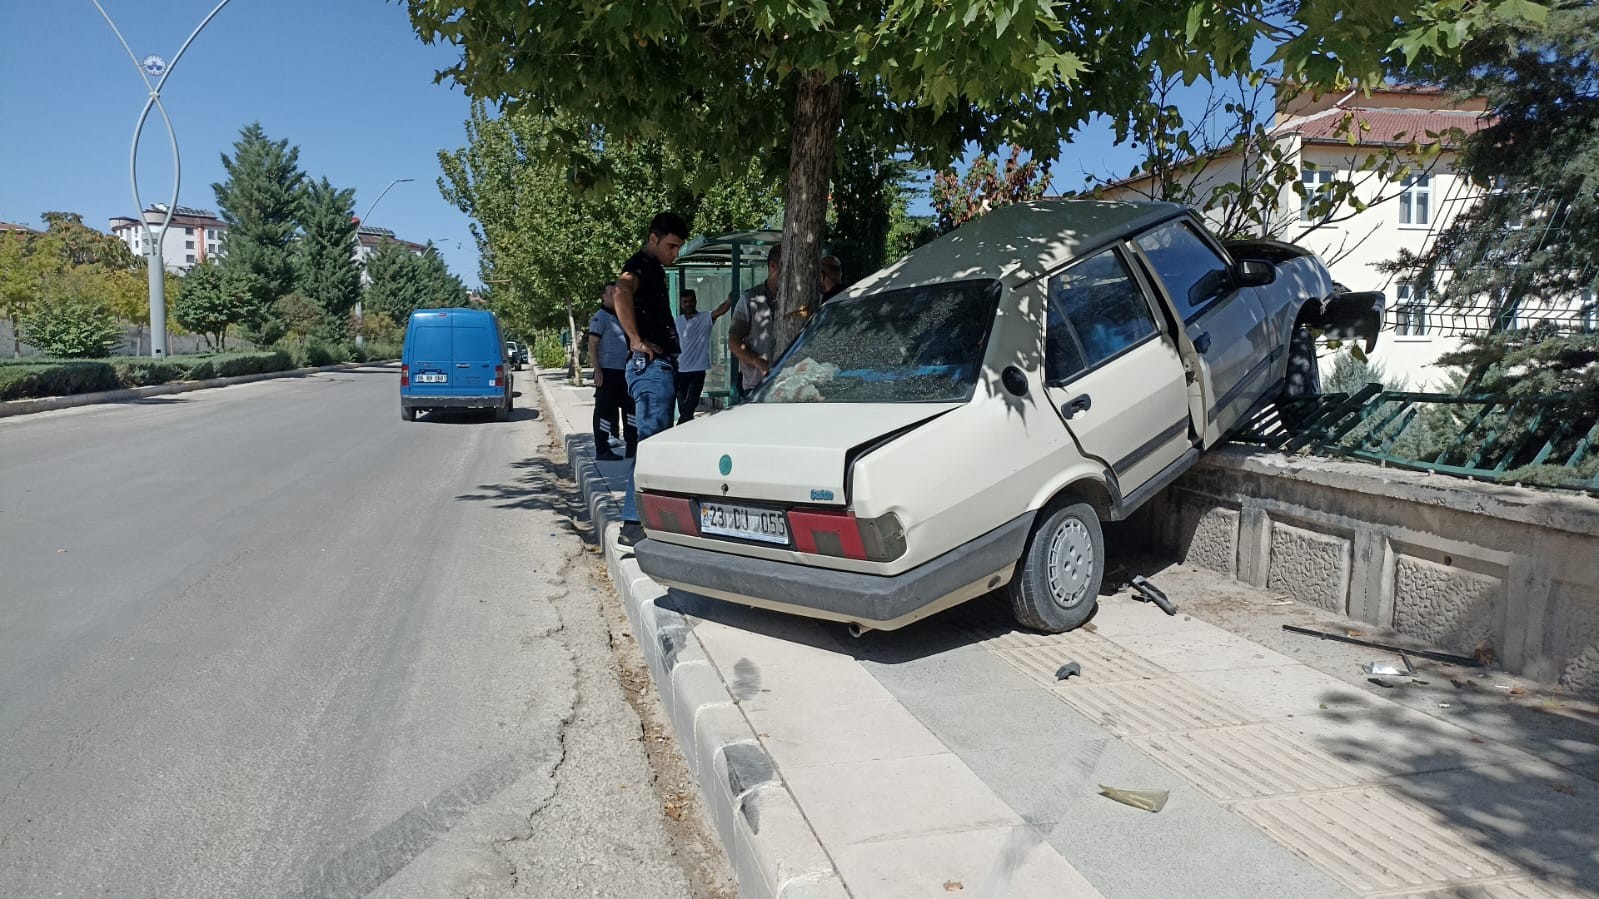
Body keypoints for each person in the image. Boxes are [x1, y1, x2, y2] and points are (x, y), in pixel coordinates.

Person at [614, 211, 688, 526]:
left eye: (678, 248)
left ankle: (644, 517)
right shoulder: (640, 265)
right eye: (671, 246)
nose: (675, 253)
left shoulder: (653, 268)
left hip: (657, 367)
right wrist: (635, 339)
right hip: (652, 368)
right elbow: (621, 291)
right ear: (653, 238)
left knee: (652, 443)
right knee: (651, 444)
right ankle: (634, 522)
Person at [587, 282, 636, 460]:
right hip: (607, 372)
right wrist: (597, 370)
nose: (614, 296)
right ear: (604, 297)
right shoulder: (600, 317)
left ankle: (632, 444)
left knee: (631, 409)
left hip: (624, 371)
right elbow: (592, 345)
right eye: (610, 293)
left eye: (616, 293)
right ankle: (603, 448)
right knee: (604, 411)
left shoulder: (621, 316)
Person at [728, 243, 781, 401]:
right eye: (790, 268)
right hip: (756, 387)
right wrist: (757, 361)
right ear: (772, 266)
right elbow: (733, 342)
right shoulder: (749, 300)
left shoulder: (800, 299)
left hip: (792, 385)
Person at [673, 288, 732, 424]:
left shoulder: (705, 318)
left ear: (696, 302)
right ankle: (686, 433)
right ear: (681, 304)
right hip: (680, 371)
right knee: (683, 408)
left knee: (690, 406)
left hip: (697, 370)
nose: (688, 304)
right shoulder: (677, 321)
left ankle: (680, 431)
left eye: (691, 301)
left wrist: (729, 300)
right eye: (685, 302)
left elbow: (719, 311)